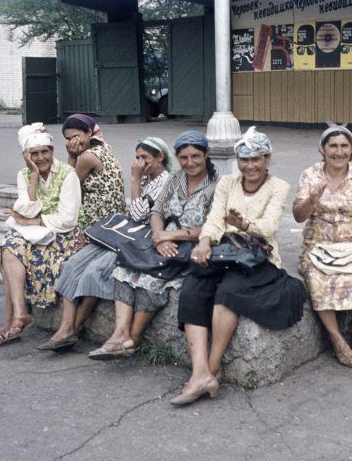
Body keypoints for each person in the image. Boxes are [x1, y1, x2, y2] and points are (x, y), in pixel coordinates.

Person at [172, 127, 306, 405]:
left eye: (256, 159)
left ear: (267, 159)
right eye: (244, 160)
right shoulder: (227, 183)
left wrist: (243, 224)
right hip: (225, 253)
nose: (250, 165)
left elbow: (269, 227)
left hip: (258, 258)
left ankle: (210, 370)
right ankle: (200, 371)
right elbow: (214, 219)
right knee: (193, 289)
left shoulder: (278, 186)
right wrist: (204, 242)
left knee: (228, 294)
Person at [87, 131, 220, 360]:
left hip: (191, 246)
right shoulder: (175, 178)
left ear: (206, 155)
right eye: (184, 157)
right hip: (163, 241)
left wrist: (171, 236)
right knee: (125, 269)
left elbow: (214, 226)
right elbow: (157, 211)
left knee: (152, 278)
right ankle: (119, 334)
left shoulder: (217, 185)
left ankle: (133, 339)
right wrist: (158, 236)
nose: (190, 163)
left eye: (195, 156)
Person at [40, 137, 173, 351]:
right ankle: (65, 327)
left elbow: (138, 215)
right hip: (124, 233)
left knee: (96, 270)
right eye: (137, 157)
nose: (140, 163)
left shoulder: (166, 182)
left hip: (140, 240)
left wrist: (134, 179)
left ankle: (75, 327)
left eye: (145, 158)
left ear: (160, 157)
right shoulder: (147, 178)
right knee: (74, 264)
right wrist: (139, 180)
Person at [0, 123, 84, 349]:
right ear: (26, 156)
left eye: (45, 151)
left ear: (52, 151)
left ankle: (12, 322)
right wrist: (34, 178)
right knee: (9, 245)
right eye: (34, 154)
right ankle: (19, 315)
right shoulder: (24, 174)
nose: (40, 158)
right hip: (36, 233)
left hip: (64, 234)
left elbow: (67, 219)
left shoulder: (68, 174)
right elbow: (25, 210)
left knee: (21, 250)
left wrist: (32, 222)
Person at [292, 124, 352, 367]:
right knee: (317, 279)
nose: (339, 152)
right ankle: (336, 338)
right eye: (333, 146)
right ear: (322, 149)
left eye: (344, 146)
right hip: (318, 247)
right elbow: (298, 216)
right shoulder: (310, 174)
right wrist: (311, 200)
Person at [62, 113, 125, 229]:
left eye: (76, 137)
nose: (73, 142)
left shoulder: (88, 157)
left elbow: (69, 188)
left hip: (97, 221)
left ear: (89, 133)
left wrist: (72, 157)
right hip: (114, 216)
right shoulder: (104, 147)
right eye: (68, 139)